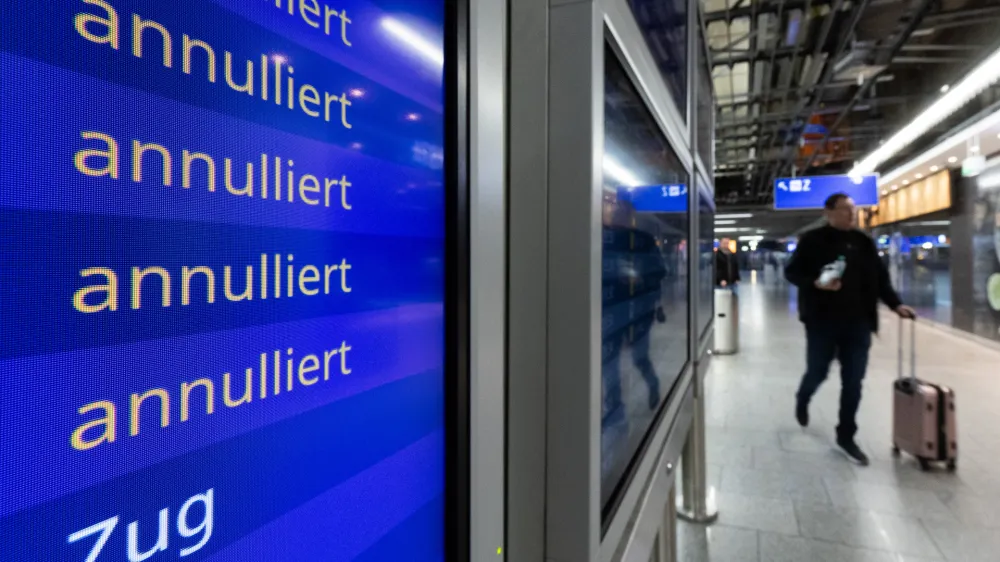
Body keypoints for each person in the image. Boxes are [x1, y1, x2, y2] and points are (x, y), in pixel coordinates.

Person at [784, 193, 916, 465]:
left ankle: (846, 436)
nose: (851, 214)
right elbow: (792, 272)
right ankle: (803, 396)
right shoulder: (812, 240)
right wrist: (815, 283)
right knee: (818, 371)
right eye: (845, 209)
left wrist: (896, 305)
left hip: (858, 323)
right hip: (822, 321)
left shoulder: (863, 242)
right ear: (828, 212)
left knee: (853, 381)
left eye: (853, 209)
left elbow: (881, 279)